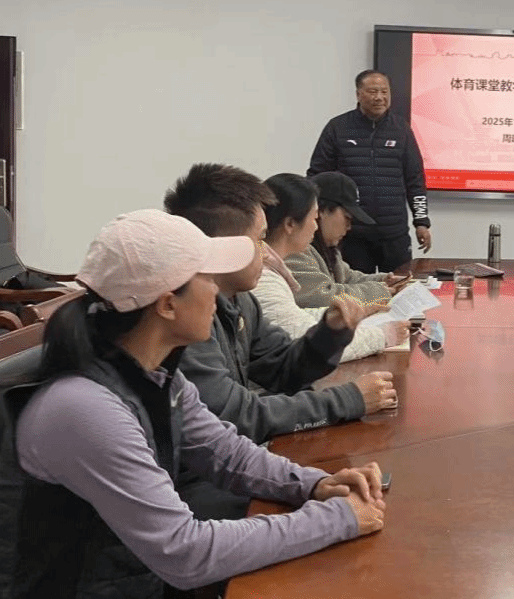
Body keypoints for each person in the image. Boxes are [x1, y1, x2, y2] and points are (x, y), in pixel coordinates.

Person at [0, 209, 386, 599]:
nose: (219, 292)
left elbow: (226, 452)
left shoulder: (153, 373)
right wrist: (336, 519)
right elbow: (185, 553)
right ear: (166, 304)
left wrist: (314, 484)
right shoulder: (84, 408)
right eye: (208, 279)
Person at [164, 164, 398, 449]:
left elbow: (284, 368)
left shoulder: (241, 300)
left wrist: (331, 333)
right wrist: (347, 400)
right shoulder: (184, 317)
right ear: (224, 246)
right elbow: (235, 415)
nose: (268, 254)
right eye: (260, 239)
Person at [256, 172, 410, 358]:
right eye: (313, 218)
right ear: (290, 224)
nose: (315, 226)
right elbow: (308, 341)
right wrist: (383, 334)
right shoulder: (266, 277)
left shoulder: (321, 251)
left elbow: (301, 316)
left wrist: (359, 307)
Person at [308, 69, 430, 272]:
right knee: (355, 287)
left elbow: (415, 180)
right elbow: (317, 177)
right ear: (358, 94)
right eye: (373, 91)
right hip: (352, 235)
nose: (379, 97)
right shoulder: (338, 127)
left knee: (399, 286)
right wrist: (318, 220)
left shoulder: (402, 129)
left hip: (394, 234)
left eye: (384, 91)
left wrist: (422, 222)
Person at [289, 171, 405, 307]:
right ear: (321, 211)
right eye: (347, 218)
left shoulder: (327, 249)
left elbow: (348, 278)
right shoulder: (294, 250)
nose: (349, 227)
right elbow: (322, 296)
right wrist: (378, 291)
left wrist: (383, 280)